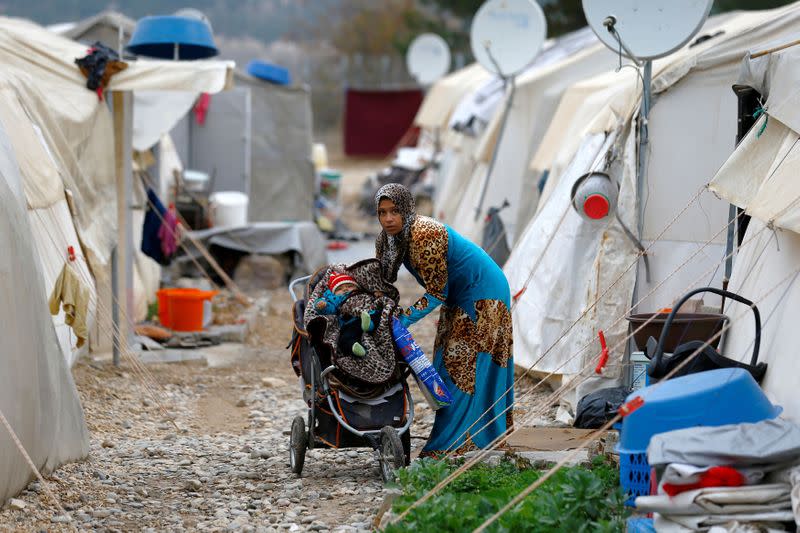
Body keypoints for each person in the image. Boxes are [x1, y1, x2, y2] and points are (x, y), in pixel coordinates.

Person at [374, 183, 514, 456]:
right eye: (382, 212)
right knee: (445, 365)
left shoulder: (424, 233)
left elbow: (438, 291)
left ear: (406, 209)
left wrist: (404, 318)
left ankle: (459, 444)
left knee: (463, 368)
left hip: (484, 292)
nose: (388, 218)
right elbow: (381, 281)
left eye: (394, 211)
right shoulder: (388, 240)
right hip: (459, 296)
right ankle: (462, 439)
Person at [313, 271, 382, 358]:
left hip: (367, 314)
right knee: (344, 339)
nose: (345, 289)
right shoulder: (335, 299)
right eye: (339, 289)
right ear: (333, 293)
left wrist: (377, 294)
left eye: (350, 286)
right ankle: (355, 348)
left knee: (380, 314)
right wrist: (322, 305)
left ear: (357, 287)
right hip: (351, 322)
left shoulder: (362, 293)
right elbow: (330, 309)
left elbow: (374, 299)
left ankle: (369, 325)